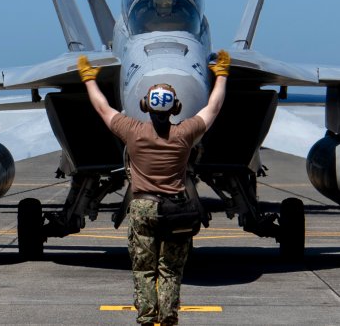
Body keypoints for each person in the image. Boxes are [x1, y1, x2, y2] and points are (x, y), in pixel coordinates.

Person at [77, 50, 230, 326]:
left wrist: (89, 79)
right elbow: (213, 108)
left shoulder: (132, 131)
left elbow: (102, 108)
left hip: (142, 208)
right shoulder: (184, 134)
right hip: (176, 208)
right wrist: (221, 75)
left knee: (144, 270)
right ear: (176, 107)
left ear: (146, 105)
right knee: (170, 269)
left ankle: (147, 319)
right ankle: (169, 318)